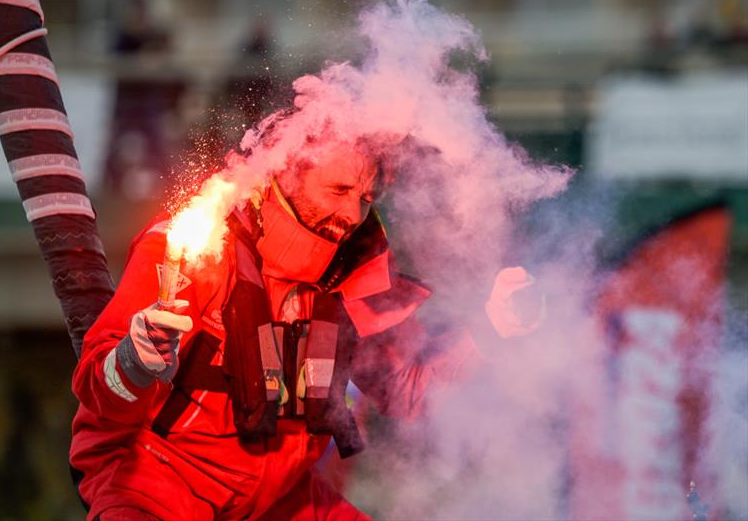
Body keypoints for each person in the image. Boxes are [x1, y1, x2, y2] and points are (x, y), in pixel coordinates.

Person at [70, 134, 539, 520]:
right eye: (338, 191)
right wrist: (133, 361)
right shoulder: (195, 245)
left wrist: (490, 333)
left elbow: (407, 388)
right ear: (286, 172)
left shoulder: (357, 272)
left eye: (366, 198)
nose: (353, 215)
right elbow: (100, 391)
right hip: (153, 485)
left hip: (279, 499)